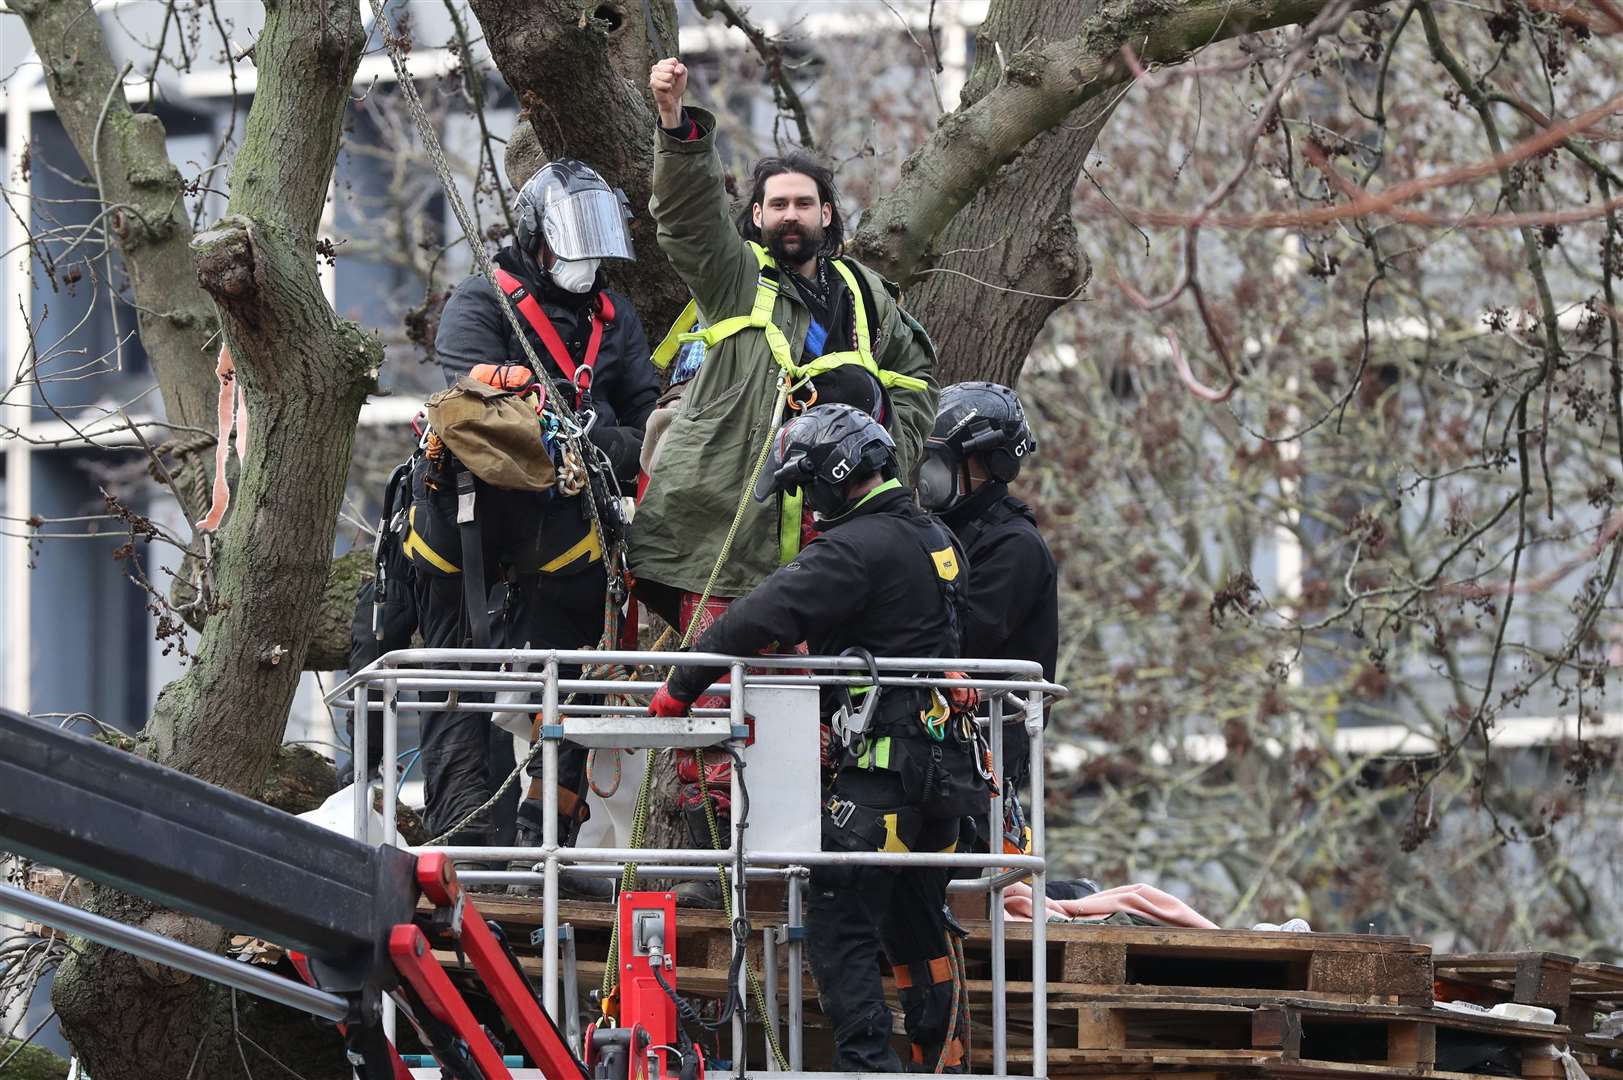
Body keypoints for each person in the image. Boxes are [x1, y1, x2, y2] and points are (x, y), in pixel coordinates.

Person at [637, 58, 940, 900]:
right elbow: (685, 218)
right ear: (758, 217)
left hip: (826, 536)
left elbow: (916, 375)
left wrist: (892, 444)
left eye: (804, 203)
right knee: (719, 689)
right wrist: (676, 127)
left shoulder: (865, 294)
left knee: (809, 705)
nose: (790, 216)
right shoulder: (735, 275)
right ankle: (711, 867)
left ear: (828, 214)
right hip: (722, 528)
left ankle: (792, 859)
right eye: (775, 205)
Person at [647, 405, 985, 1073]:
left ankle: (867, 1068)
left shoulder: (856, 549)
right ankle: (939, 1064)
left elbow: (757, 615)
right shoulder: (933, 537)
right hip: (944, 773)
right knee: (917, 924)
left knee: (839, 917)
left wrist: (681, 685)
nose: (805, 506)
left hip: (886, 771)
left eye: (805, 489)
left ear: (832, 478)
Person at [405, 158, 660, 892]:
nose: (584, 260)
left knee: (573, 672)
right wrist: (589, 427)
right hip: (471, 515)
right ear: (534, 233)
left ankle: (544, 840)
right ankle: (463, 841)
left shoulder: (613, 318)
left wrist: (592, 432)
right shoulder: (483, 302)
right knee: (458, 674)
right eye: (570, 238)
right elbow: (477, 410)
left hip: (565, 521)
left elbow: (644, 425)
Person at [918, 382, 1057, 852]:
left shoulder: (1014, 546)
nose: (927, 476)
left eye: (941, 461)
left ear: (992, 465)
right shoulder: (942, 533)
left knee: (965, 881)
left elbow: (963, 637)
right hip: (941, 743)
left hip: (981, 751)